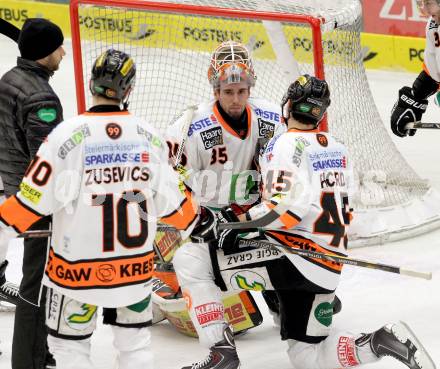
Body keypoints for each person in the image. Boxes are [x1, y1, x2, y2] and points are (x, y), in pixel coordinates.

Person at [173, 74, 436, 369]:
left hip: (293, 258)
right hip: (327, 266)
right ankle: (380, 341)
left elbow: (283, 211)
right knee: (307, 358)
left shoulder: (283, 145)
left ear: (288, 106)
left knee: (191, 258)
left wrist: (234, 224)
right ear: (320, 113)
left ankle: (221, 353)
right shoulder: (339, 148)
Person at [0, 48, 208, 369]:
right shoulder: (149, 137)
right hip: (135, 274)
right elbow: (181, 211)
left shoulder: (66, 137)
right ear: (129, 90)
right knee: (135, 347)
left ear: (92, 84)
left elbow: (27, 206)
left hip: (75, 277)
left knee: (71, 351)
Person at [161, 40, 285, 330]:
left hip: (249, 214)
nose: (235, 100)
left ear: (250, 89)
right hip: (207, 221)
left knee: (282, 243)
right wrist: (198, 220)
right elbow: (173, 183)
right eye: (228, 92)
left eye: (241, 92)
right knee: (195, 267)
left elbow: (284, 172)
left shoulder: (270, 118)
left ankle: (288, 297)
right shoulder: (190, 126)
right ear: (215, 90)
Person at [0, 17, 65, 369]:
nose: (64, 53)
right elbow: (48, 162)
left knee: (40, 280)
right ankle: (28, 361)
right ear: (44, 54)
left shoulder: (10, 78)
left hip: (15, 193)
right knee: (37, 284)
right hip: (38, 203)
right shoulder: (41, 97)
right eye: (58, 47)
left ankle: (39, 350)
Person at [390, 0, 440, 137]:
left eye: (428, 3)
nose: (425, 9)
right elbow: (434, 67)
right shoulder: (434, 23)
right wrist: (414, 98)